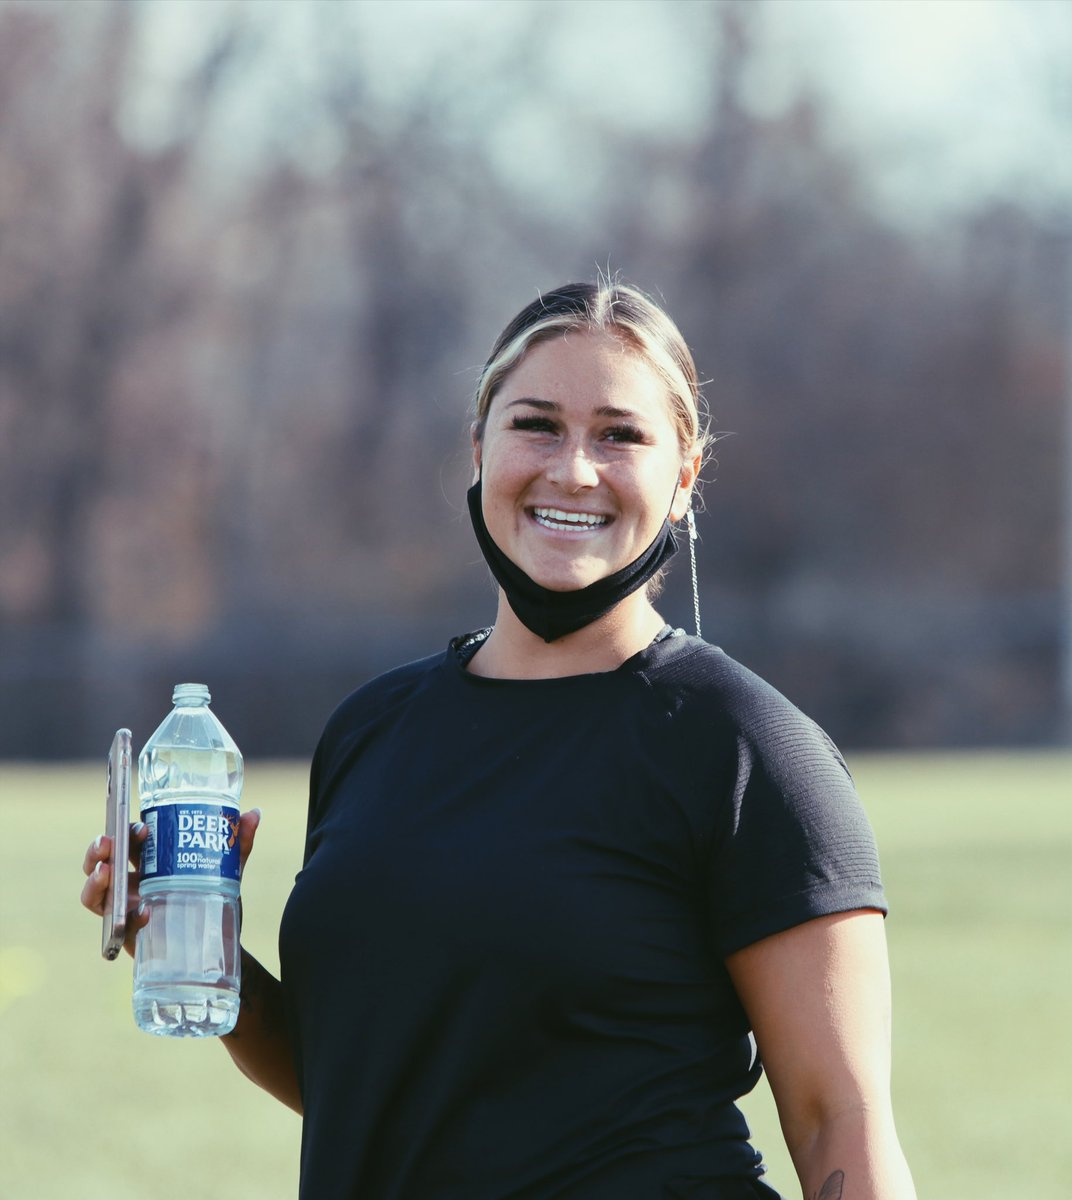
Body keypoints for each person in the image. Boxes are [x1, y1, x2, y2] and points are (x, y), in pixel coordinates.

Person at [82, 281, 916, 1200]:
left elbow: (840, 1116)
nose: (573, 470)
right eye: (537, 425)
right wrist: (207, 950)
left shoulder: (751, 751)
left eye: (620, 435)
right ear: (478, 447)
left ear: (685, 478)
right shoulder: (373, 730)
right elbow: (363, 1089)